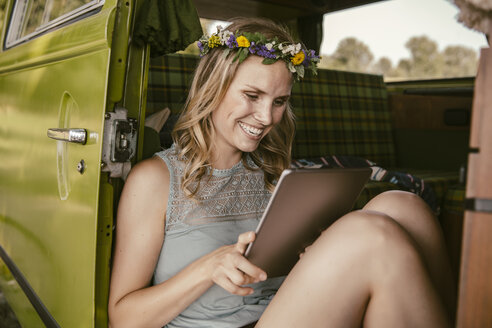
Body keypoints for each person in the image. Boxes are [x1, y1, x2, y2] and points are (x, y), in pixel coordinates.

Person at [108, 17, 455, 328]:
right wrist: (207, 268)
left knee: (403, 205)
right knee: (369, 233)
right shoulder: (155, 179)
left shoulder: (275, 170)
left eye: (279, 102)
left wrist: (312, 251)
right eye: (252, 95)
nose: (265, 118)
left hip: (286, 313)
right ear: (212, 87)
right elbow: (123, 319)